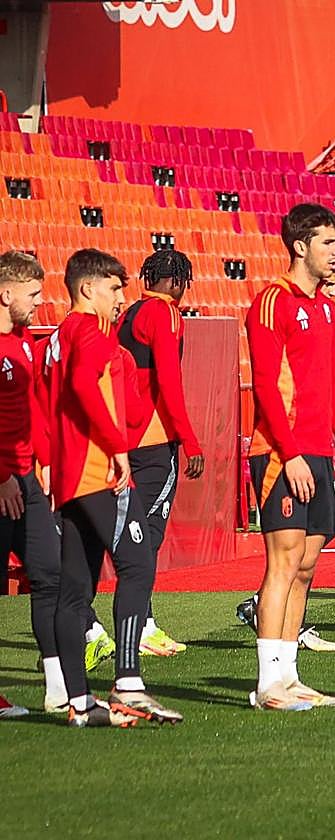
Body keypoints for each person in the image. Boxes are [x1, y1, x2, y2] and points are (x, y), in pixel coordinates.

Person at [44, 248, 179, 726]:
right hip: (99, 471)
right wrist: (117, 447)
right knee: (138, 562)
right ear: (87, 289)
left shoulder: (57, 337)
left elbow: (50, 405)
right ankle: (128, 682)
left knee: (75, 589)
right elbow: (83, 385)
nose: (122, 296)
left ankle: (79, 706)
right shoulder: (89, 331)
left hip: (68, 477)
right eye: (114, 287)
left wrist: (48, 463)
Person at [245, 203, 335, 712]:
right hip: (282, 454)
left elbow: (331, 388)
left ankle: (290, 675)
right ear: (300, 246)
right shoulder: (271, 302)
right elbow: (266, 390)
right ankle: (266, 682)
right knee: (283, 561)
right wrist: (290, 453)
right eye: (328, 243)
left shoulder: (327, 307)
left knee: (307, 567)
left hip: (319, 453)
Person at [110, 248, 205, 656]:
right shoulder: (166, 314)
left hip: (124, 436)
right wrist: (189, 440)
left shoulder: (128, 314)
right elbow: (168, 380)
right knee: (148, 534)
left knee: (131, 531)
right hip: (153, 439)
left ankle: (135, 622)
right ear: (177, 282)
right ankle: (143, 625)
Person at [0, 251, 65, 714]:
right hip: (2, 481)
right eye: (33, 293)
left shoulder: (24, 342)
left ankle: (58, 686)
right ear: (6, 294)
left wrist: (43, 465)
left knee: (49, 575)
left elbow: (36, 412)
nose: (41, 302)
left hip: (27, 480)